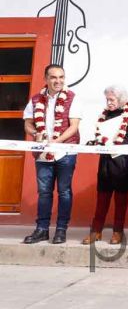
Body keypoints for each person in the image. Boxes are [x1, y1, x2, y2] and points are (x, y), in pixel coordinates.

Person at [22, 65, 82, 245]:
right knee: (44, 192)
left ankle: (61, 230)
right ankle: (42, 230)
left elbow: (74, 126)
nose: (58, 81)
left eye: (61, 77)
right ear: (46, 79)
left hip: (66, 152)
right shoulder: (35, 100)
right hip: (43, 153)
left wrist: (57, 142)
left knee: (64, 192)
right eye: (54, 77)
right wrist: (35, 134)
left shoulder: (73, 98)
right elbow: (28, 124)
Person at [81, 85, 128, 245]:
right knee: (102, 198)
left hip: (123, 162)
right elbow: (100, 135)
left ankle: (117, 232)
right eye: (107, 99)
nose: (109, 102)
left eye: (112, 99)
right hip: (107, 161)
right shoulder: (105, 115)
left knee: (120, 200)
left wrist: (113, 146)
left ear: (121, 100)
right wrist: (98, 142)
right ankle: (96, 232)